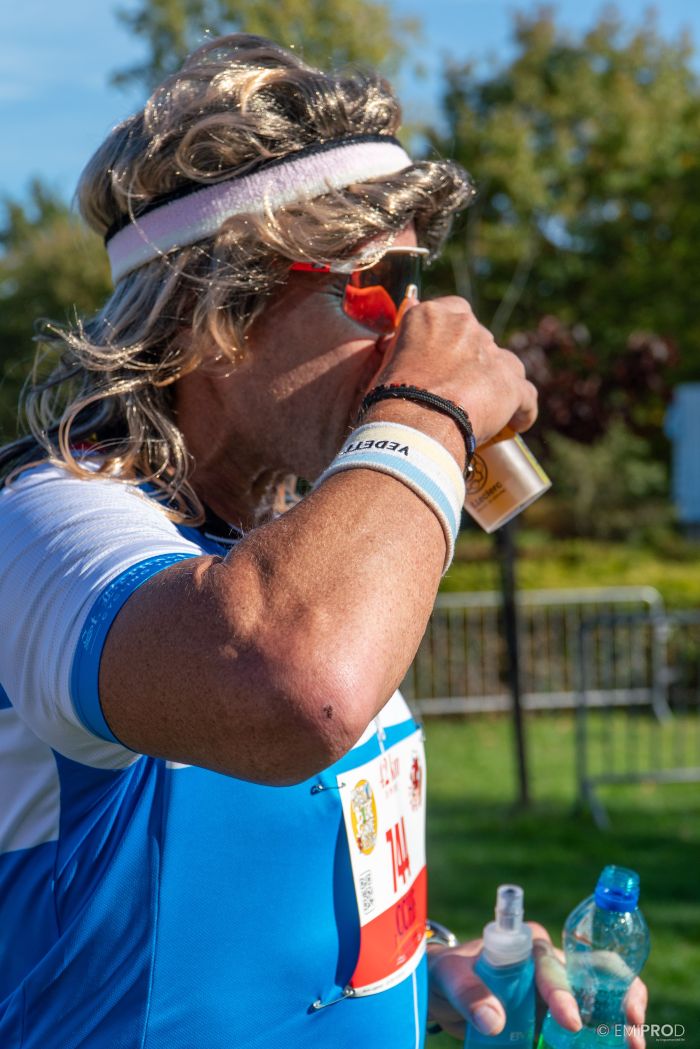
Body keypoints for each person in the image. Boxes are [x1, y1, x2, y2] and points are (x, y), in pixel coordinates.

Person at [0, 34, 647, 1049]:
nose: (409, 325)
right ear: (220, 310)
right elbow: (298, 690)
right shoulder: (48, 523)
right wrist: (427, 410)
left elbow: (281, 862)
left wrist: (425, 967)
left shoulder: (303, 554)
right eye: (373, 281)